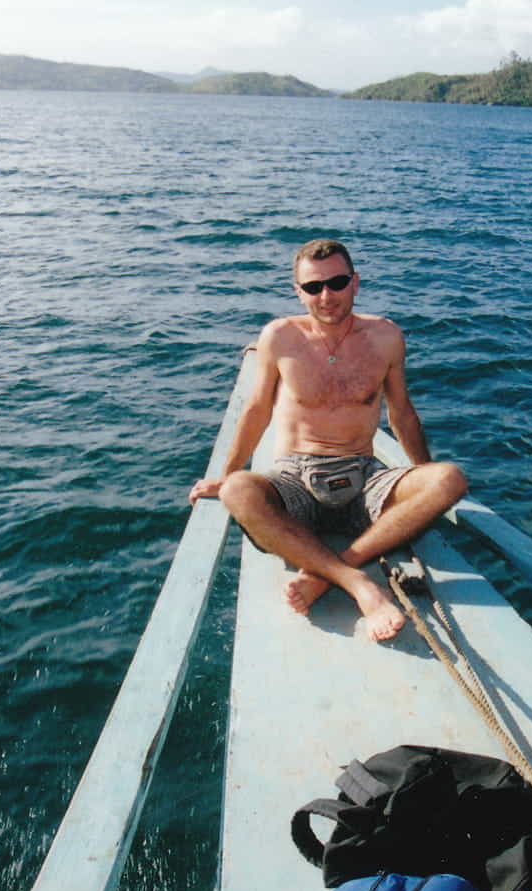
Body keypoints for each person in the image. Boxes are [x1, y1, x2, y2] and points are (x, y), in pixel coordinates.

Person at [189, 239, 467, 641]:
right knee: (238, 490)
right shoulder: (280, 337)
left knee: (449, 479)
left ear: (355, 283)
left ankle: (328, 571)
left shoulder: (386, 337)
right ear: (298, 292)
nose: (326, 296)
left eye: (337, 283)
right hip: (296, 477)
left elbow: (402, 412)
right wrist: (226, 473)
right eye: (313, 287)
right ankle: (358, 583)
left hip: (364, 474)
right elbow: (257, 410)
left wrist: (422, 479)